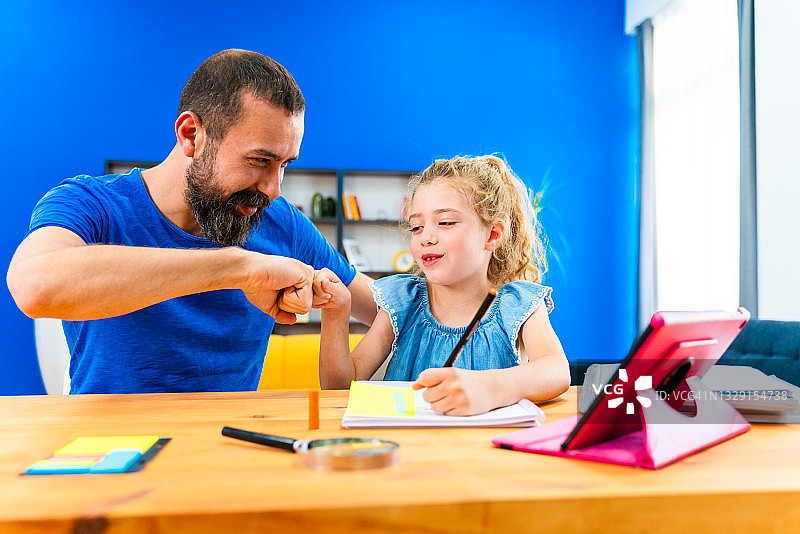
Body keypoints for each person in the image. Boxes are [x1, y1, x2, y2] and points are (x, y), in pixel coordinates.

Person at [6, 49, 376, 394]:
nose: (273, 189)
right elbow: (34, 285)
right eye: (260, 161)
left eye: (284, 164)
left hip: (231, 446)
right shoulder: (93, 204)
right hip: (110, 448)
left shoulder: (283, 224)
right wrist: (240, 269)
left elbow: (388, 309)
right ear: (190, 135)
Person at [316, 155, 569, 415]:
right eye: (416, 227)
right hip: (411, 451)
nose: (426, 237)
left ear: (493, 235)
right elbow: (340, 387)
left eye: (445, 222)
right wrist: (335, 313)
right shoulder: (403, 301)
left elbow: (557, 370)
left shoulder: (518, 304)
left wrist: (489, 388)